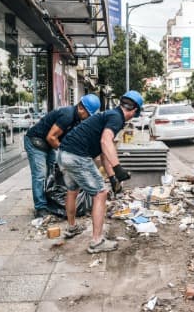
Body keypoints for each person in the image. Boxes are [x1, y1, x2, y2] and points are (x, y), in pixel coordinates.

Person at [58, 90, 143, 254]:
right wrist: (118, 169)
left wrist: (112, 178)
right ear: (135, 111)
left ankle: (72, 228)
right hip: (77, 157)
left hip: (63, 154)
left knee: (72, 190)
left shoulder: (109, 115)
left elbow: (104, 152)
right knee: (100, 194)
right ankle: (96, 242)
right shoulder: (116, 118)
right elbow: (105, 141)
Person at [24, 94, 101, 218]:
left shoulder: (77, 120)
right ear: (81, 108)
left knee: (52, 173)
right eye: (88, 114)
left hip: (48, 144)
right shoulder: (67, 115)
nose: (88, 118)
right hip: (35, 142)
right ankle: (40, 208)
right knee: (40, 175)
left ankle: (48, 201)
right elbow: (51, 137)